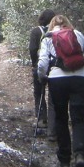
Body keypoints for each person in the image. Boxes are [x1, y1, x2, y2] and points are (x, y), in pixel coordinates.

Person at [36, 14, 84, 167]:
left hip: (57, 80)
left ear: (52, 25)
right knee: (78, 118)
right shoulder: (77, 34)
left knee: (61, 118)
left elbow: (43, 63)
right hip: (80, 79)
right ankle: (80, 155)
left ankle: (65, 161)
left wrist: (41, 77)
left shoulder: (47, 38)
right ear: (68, 24)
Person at [29, 9, 56, 138]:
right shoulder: (57, 32)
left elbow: (33, 49)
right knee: (53, 97)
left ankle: (41, 119)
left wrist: (35, 64)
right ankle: (53, 126)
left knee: (39, 92)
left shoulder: (36, 31)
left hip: (40, 65)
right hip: (55, 68)